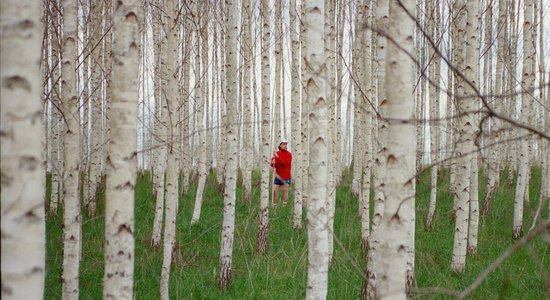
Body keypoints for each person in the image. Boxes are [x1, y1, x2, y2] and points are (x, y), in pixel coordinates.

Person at [270, 140, 292, 206]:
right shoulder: (277, 153)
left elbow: (285, 163)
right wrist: (272, 162)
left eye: (286, 144)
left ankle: (284, 206)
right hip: (278, 176)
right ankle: (274, 206)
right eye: (283, 144)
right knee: (275, 191)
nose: (285, 145)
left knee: (285, 191)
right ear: (280, 145)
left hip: (286, 176)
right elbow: (275, 165)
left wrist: (277, 157)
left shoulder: (289, 154)